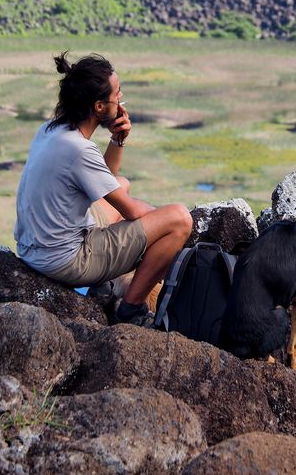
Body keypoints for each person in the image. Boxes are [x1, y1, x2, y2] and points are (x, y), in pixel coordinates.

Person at [14, 51, 193, 325]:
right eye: (117, 95)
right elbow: (131, 211)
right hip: (66, 259)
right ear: (99, 107)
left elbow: (107, 182)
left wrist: (117, 141)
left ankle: (108, 284)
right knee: (179, 220)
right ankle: (131, 308)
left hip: (34, 248)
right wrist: (159, 220)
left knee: (122, 184)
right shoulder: (79, 150)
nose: (121, 100)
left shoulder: (51, 130)